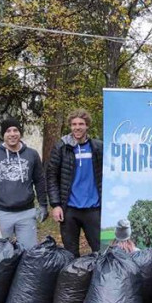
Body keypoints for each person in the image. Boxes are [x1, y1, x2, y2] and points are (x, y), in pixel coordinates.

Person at [0, 118, 48, 249]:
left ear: (20, 133)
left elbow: (39, 181)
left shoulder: (31, 154)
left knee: (28, 253)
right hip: (1, 214)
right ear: (3, 134)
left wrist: (43, 205)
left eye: (15, 130)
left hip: (26, 213)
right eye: (8, 131)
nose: (12, 134)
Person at [47, 109, 103, 257]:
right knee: (70, 254)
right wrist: (55, 205)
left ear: (87, 126)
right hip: (69, 209)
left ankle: (99, 279)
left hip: (94, 208)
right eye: (74, 124)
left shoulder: (97, 147)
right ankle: (73, 279)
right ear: (70, 126)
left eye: (81, 124)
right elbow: (51, 175)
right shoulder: (61, 147)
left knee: (100, 251)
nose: (77, 127)